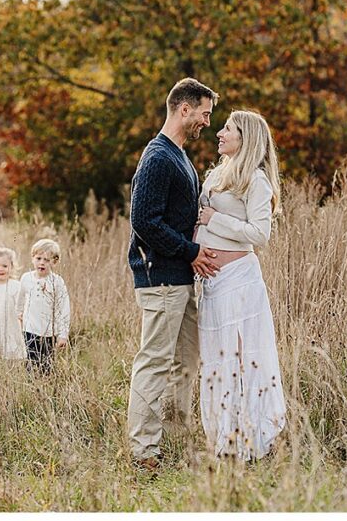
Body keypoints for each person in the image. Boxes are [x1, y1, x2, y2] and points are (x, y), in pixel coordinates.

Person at [126, 77, 221, 472]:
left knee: (186, 361)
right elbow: (144, 221)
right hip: (160, 277)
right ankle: (143, 451)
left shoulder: (180, 155)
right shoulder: (158, 157)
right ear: (184, 109)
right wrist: (191, 250)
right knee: (155, 361)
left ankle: (175, 438)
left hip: (181, 277)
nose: (207, 122)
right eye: (204, 113)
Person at [195, 110, 287, 460]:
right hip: (214, 286)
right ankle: (224, 438)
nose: (219, 133)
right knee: (217, 362)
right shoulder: (218, 174)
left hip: (240, 283)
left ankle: (248, 441)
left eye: (227, 129)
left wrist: (215, 220)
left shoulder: (257, 181)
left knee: (239, 361)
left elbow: (259, 235)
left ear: (244, 138)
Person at [20, 238, 70, 374]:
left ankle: (45, 387)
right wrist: (18, 317)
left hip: (49, 332)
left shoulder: (57, 282)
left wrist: (63, 334)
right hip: (29, 329)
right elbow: (19, 300)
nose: (42, 262)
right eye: (39, 258)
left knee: (46, 365)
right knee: (30, 362)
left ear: (54, 262)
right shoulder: (26, 278)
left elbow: (63, 308)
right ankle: (30, 388)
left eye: (47, 260)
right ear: (32, 259)